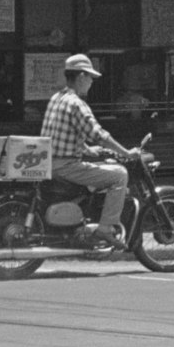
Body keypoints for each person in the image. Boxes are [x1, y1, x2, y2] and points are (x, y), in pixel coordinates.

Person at [40, 53, 133, 249]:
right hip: (65, 166)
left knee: (100, 170)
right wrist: (126, 153)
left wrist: (87, 149)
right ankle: (105, 228)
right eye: (90, 77)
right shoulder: (76, 104)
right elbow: (99, 134)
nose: (91, 82)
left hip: (49, 163)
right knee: (119, 175)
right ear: (81, 76)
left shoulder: (57, 98)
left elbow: (63, 134)